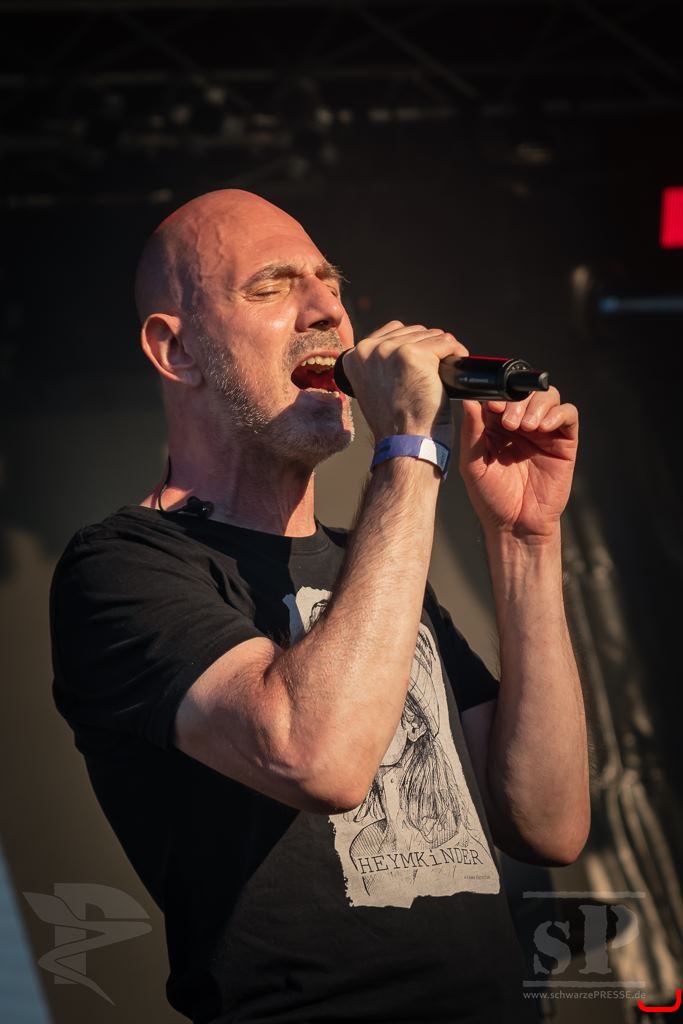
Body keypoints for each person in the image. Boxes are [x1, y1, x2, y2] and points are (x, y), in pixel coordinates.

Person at [49, 188, 590, 1024]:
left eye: (329, 284)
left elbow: (547, 823)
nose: (327, 311)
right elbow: (319, 760)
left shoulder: (367, 562)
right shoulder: (123, 569)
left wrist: (524, 541)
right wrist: (409, 447)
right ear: (175, 349)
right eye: (272, 286)